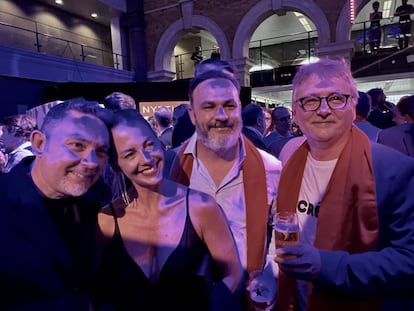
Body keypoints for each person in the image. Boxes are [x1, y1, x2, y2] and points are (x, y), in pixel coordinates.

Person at [274, 58, 414, 310]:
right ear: (295, 111)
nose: (324, 109)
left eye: (336, 98)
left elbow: (409, 259)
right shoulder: (290, 162)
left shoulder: (393, 169)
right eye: (311, 100)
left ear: (352, 105)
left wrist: (324, 266)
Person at [95, 109, 243, 310]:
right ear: (115, 164)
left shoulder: (201, 207)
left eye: (149, 145)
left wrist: (216, 304)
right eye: (130, 154)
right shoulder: (106, 221)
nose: (146, 158)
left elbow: (232, 273)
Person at [165, 67, 282, 309]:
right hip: (185, 297)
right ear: (193, 115)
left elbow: (281, 234)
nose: (221, 115)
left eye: (229, 105)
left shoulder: (270, 168)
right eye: (208, 107)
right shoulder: (171, 165)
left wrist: (268, 280)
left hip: (248, 299)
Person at [0, 98, 113, 310]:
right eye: (77, 145)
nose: (91, 162)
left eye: (100, 151)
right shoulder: (5, 201)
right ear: (39, 143)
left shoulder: (94, 199)